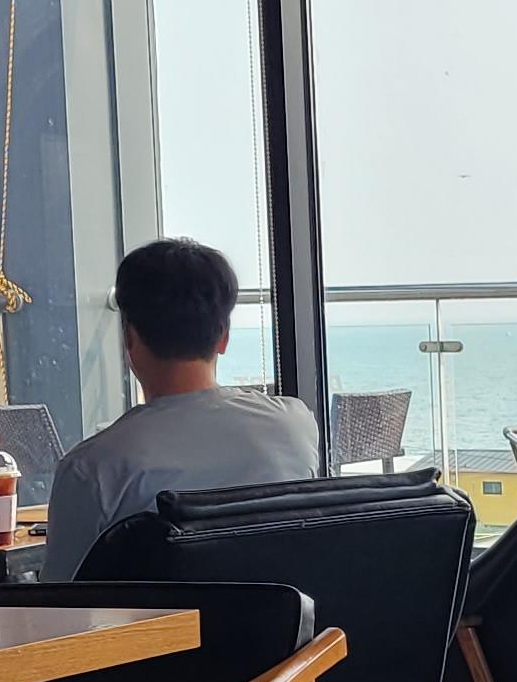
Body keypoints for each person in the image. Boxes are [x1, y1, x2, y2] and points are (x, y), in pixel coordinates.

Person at [40, 237, 321, 579]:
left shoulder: (92, 469)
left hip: (159, 618)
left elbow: (60, 598)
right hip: (281, 615)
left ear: (129, 338)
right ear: (223, 336)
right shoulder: (295, 426)